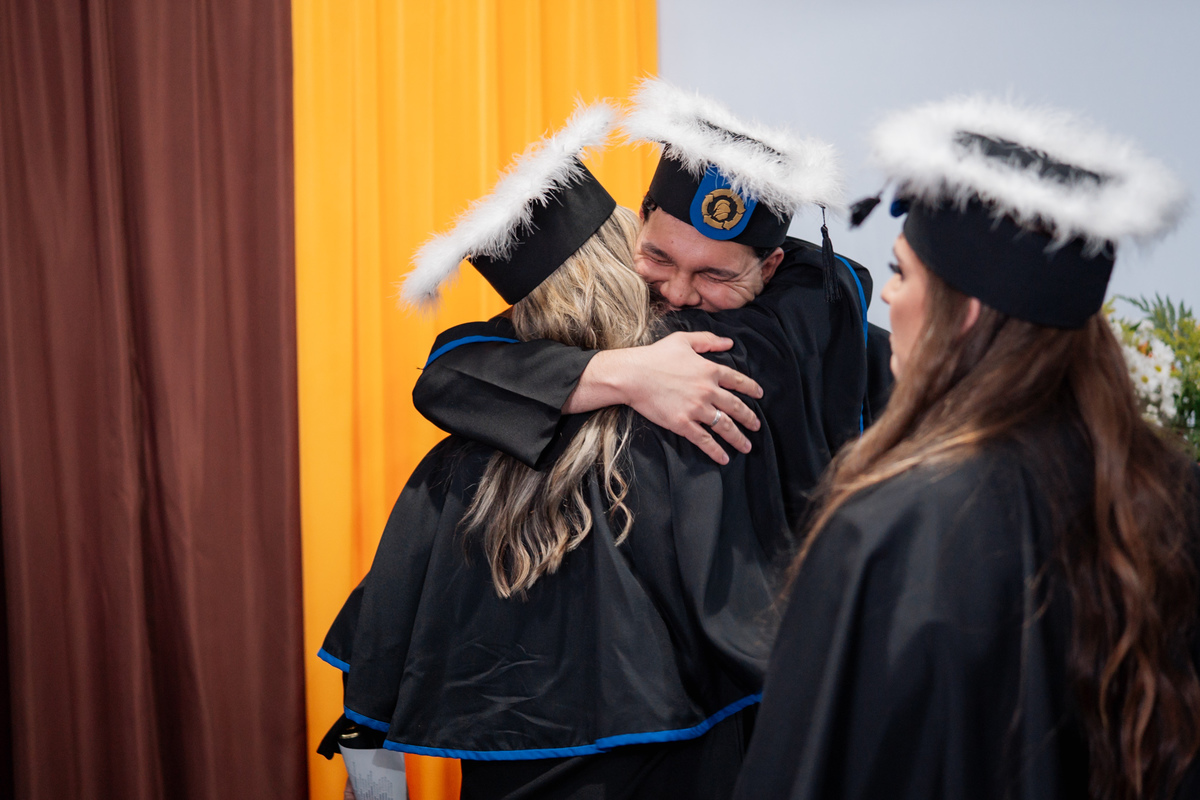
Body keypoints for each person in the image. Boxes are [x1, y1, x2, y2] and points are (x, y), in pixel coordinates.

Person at [319, 104, 797, 799]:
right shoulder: (709, 410)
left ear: (521, 317)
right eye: (656, 258)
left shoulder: (456, 467)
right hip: (690, 760)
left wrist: (372, 760)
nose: (677, 290)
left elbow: (379, 648)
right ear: (627, 258)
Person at [733, 97, 1200, 800]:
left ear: (966, 314)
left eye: (902, 272)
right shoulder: (1172, 495)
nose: (886, 296)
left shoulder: (891, 529)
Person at [411, 79, 892, 538]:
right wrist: (622, 371)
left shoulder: (801, 329)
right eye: (659, 257)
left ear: (770, 269)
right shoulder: (624, 316)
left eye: (715, 275)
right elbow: (450, 369)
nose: (679, 294)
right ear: (640, 222)